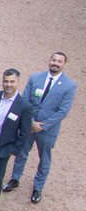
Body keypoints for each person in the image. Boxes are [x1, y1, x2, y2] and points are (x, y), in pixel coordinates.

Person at [9, 51, 76, 203]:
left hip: (47, 130)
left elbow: (63, 111)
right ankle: (14, 178)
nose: (55, 63)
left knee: (44, 159)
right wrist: (31, 121)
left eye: (59, 61)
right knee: (21, 152)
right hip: (29, 125)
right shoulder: (35, 77)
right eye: (54, 60)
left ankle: (38, 187)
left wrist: (42, 125)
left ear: (64, 64)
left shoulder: (69, 85)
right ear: (49, 60)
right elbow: (25, 100)